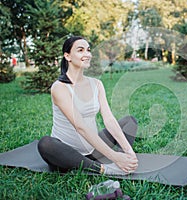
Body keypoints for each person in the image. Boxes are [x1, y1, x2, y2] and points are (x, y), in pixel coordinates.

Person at [38, 36, 138, 175]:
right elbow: (80, 127)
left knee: (130, 121)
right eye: (80, 50)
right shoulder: (59, 87)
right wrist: (113, 156)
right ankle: (104, 169)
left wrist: (129, 151)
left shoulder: (96, 84)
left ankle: (124, 162)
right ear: (67, 56)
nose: (87, 54)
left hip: (93, 150)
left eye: (88, 50)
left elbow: (108, 119)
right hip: (67, 155)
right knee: (45, 144)